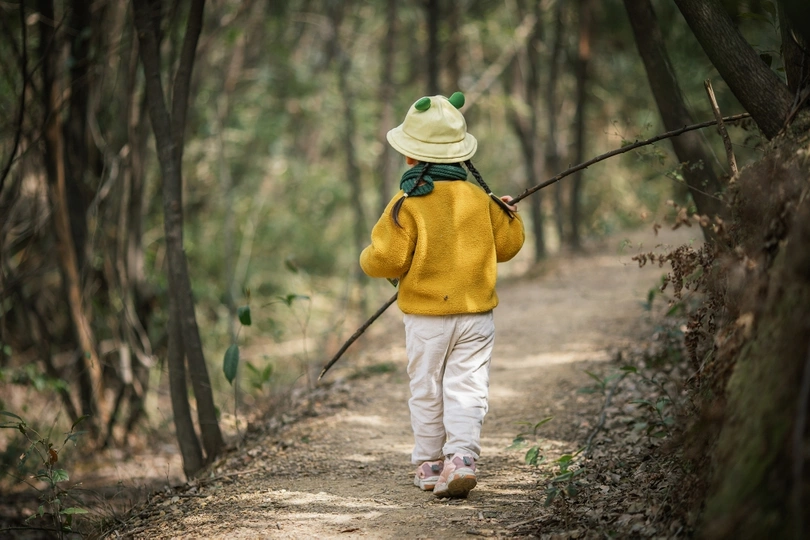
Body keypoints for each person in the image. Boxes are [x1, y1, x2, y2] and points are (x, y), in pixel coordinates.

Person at [359, 92, 525, 498]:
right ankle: (462, 461)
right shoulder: (480, 198)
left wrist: (367, 257)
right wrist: (509, 215)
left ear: (411, 157)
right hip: (476, 317)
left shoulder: (407, 202)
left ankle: (431, 464)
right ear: (459, 156)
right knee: (467, 387)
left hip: (427, 320)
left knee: (427, 388)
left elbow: (386, 260)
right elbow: (507, 246)